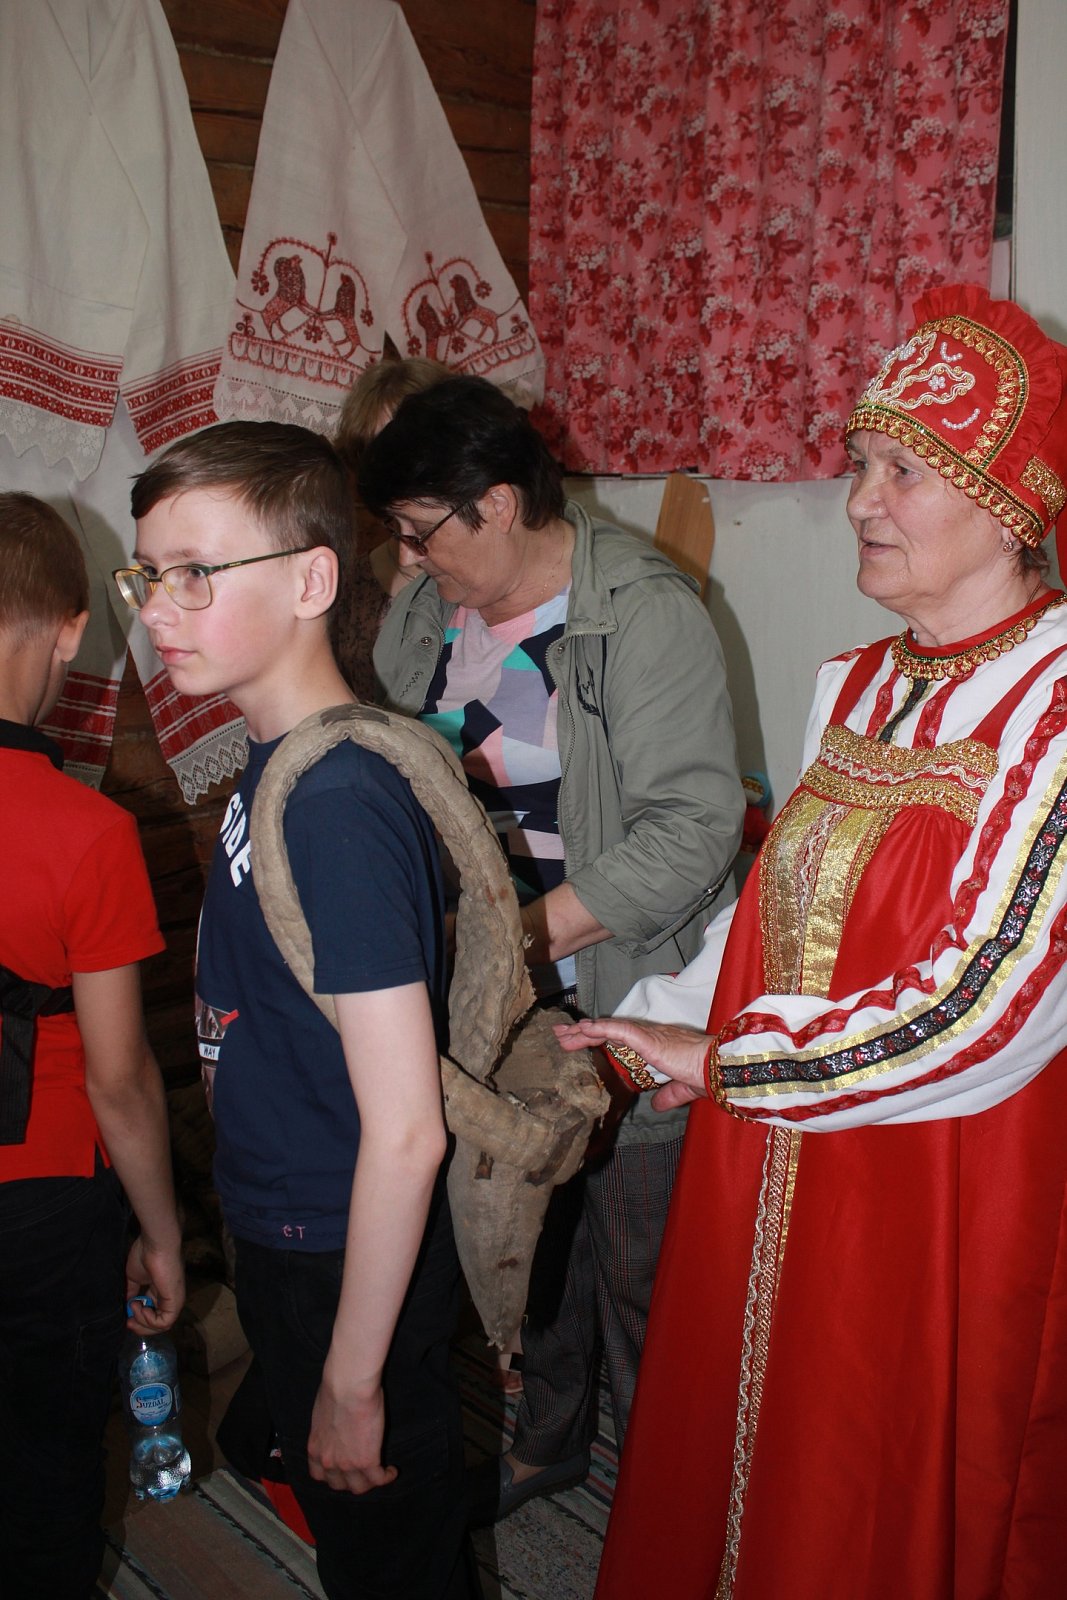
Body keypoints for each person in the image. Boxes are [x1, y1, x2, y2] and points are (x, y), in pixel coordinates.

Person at [555, 284, 1067, 1599]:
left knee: (880, 1474)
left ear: (1009, 507)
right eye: (857, 463)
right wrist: (665, 1019)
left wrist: (727, 1060)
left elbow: (988, 1006)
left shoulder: (1050, 710)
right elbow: (772, 901)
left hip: (941, 1176)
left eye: (902, 471)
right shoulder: (855, 680)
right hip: (779, 1140)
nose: (857, 501)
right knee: (754, 1453)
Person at [359, 375, 745, 1517]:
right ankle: (552, 1431)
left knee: (634, 1265)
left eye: (420, 530)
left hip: (618, 983)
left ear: (494, 504)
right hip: (490, 987)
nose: (407, 556)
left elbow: (693, 829)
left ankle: (677, 1507)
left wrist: (516, 944)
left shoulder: (642, 612)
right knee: (525, 1231)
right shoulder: (430, 610)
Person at [116, 422, 479, 1600]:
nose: (157, 610)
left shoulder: (335, 801)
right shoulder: (274, 762)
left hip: (340, 1237)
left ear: (312, 580)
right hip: (288, 1219)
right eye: (146, 575)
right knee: (335, 1504)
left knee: (388, 1550)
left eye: (194, 573)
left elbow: (407, 1129)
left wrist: (354, 1379)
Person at [0, 492, 184, 1600]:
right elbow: (120, 1080)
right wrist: (159, 1231)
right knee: (44, 1471)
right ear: (71, 631)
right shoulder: (90, 831)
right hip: (43, 1204)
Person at [332, 356, 452, 699]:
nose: (389, 474)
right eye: (374, 456)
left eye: (404, 454)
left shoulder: (480, 572)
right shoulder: (351, 583)